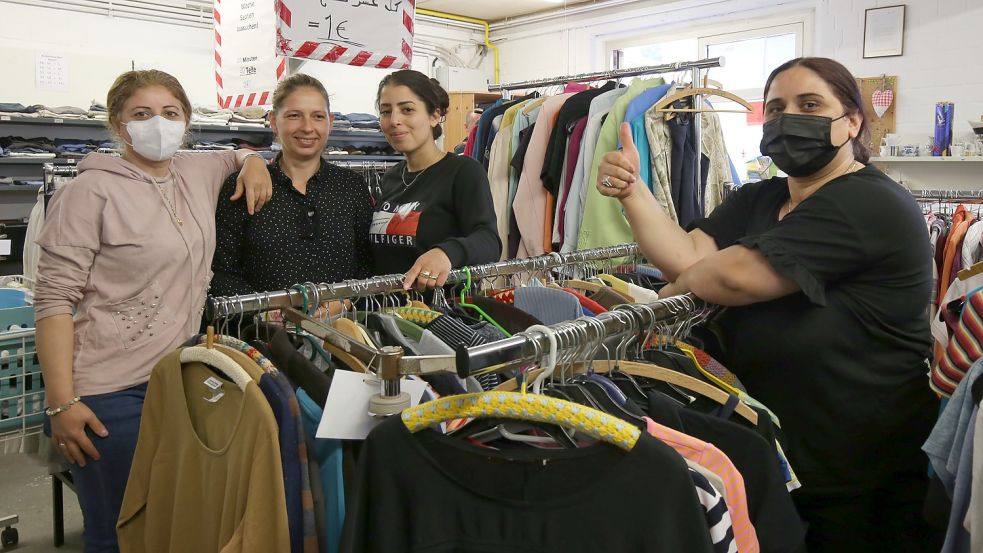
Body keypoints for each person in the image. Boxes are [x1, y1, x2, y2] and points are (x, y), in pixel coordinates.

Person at [596, 57, 942, 552]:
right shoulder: (761, 198)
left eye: (810, 104)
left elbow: (737, 277)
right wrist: (633, 192)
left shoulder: (869, 203)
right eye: (776, 108)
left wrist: (685, 285)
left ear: (852, 121)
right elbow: (686, 257)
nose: (788, 119)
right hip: (779, 462)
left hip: (862, 472)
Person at [33, 69, 273, 553]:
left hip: (178, 377)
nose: (157, 124)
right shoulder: (87, 192)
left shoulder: (194, 170)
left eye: (170, 113)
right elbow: (54, 299)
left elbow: (234, 153)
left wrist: (252, 161)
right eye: (141, 114)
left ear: (186, 122)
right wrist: (61, 403)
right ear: (119, 125)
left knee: (172, 518)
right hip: (108, 392)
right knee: (118, 529)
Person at [211, 73, 374, 302]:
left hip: (339, 330)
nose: (307, 127)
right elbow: (224, 272)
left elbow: (366, 266)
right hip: (261, 332)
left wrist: (345, 303)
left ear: (331, 122)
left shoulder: (351, 187)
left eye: (318, 116)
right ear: (274, 121)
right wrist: (270, 314)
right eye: (294, 116)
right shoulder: (243, 185)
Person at [372, 70, 501, 290]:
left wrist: (447, 252)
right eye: (386, 111)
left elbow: (489, 241)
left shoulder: (463, 172)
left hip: (442, 316)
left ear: (434, 115)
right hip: (385, 313)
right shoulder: (391, 178)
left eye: (407, 110)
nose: (394, 120)